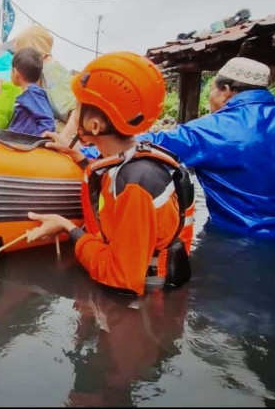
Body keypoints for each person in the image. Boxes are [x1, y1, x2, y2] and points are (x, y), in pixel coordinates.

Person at [26, 52, 196, 296]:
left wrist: (67, 228)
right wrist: (79, 157)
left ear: (95, 125)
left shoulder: (137, 183)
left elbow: (122, 279)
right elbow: (110, 175)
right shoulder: (130, 162)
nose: (74, 113)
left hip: (145, 307)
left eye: (78, 107)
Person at [138, 56, 275, 240]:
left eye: (212, 90)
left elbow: (138, 144)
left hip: (241, 243)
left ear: (225, 89)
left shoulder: (208, 130)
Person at [13, 25, 78, 136]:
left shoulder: (50, 70)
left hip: (60, 144)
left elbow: (76, 112)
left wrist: (63, 139)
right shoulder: (42, 71)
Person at [6, 47, 55, 136]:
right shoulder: (28, 94)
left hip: (27, 145)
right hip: (18, 142)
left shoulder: (33, 92)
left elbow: (48, 121)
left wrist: (36, 141)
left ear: (15, 72)